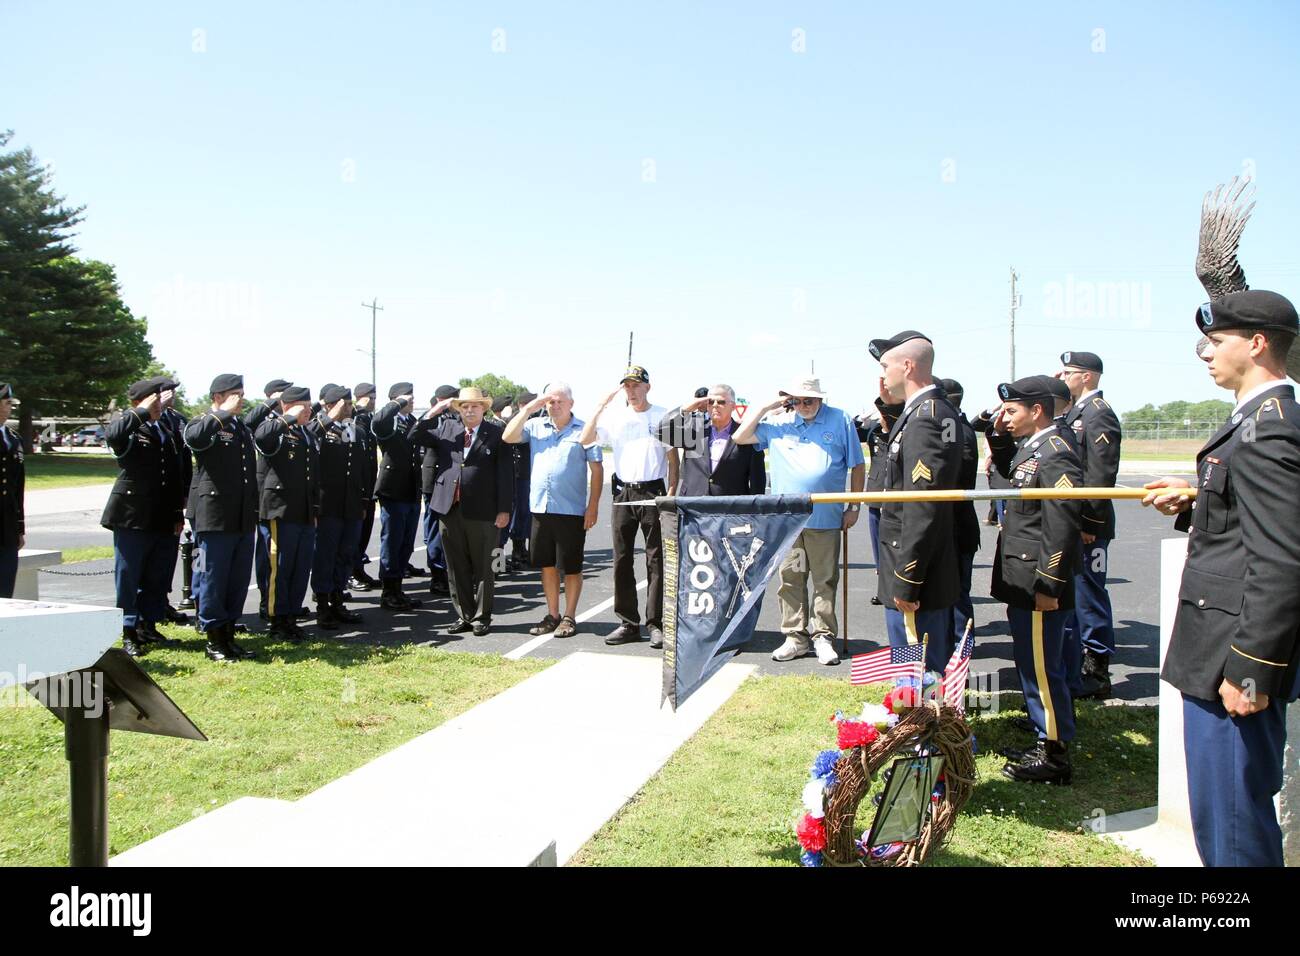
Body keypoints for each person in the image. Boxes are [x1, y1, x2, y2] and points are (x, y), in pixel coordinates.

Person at [1143, 289, 1300, 866]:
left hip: (1232, 663)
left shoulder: (1269, 430)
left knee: (1233, 824)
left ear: (1257, 344)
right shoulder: (1255, 422)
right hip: (1218, 652)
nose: (1205, 354)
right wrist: (1192, 503)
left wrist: (1252, 671)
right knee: (1221, 817)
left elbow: (1283, 562)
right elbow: (1246, 525)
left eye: (1216, 342)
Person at [987, 375, 1083, 784]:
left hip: (1039, 579)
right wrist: (996, 435)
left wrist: (1049, 583)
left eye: (1011, 411)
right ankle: (1043, 732)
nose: (1004, 419)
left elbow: (1062, 521)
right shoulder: (1033, 446)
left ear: (1037, 410)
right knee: (1031, 661)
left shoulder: (1055, 450)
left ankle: (1054, 754)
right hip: (1022, 574)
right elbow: (1010, 478)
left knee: (1043, 666)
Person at [732, 376, 864, 666]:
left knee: (824, 580)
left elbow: (857, 465)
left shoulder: (839, 419)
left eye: (810, 400)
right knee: (790, 579)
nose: (804, 405)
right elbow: (740, 436)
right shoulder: (780, 422)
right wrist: (768, 405)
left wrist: (854, 505)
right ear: (789, 399)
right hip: (788, 522)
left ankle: (823, 637)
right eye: (798, 400)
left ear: (821, 399)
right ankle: (795, 637)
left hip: (826, 518)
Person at [868, 331, 962, 673]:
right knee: (917, 665)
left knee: (917, 667)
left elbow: (922, 507)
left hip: (914, 571)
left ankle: (923, 726)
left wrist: (907, 579)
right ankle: (922, 722)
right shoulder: (928, 410)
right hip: (918, 564)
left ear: (907, 366)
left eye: (885, 365)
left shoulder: (925, 418)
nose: (882, 374)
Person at [579, 365, 678, 648]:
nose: (631, 391)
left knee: (656, 560)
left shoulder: (663, 415)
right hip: (623, 493)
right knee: (622, 559)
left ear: (647, 386)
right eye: (627, 386)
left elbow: (674, 460)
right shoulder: (615, 417)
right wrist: (600, 405)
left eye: (636, 385)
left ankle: (656, 623)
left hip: (653, 493)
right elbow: (585, 439)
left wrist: (670, 494)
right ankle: (628, 623)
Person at [502, 384, 604, 637]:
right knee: (546, 565)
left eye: (559, 401)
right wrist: (527, 409)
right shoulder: (535, 427)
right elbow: (508, 436)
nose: (554, 406)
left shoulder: (584, 429)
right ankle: (553, 614)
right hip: (540, 507)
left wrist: (592, 507)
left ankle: (569, 617)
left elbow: (597, 469)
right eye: (550, 402)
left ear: (571, 403)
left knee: (571, 567)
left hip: (570, 510)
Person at [417, 387, 512, 635]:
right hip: (450, 508)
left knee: (486, 566)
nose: (469, 410)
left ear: (484, 408)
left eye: (475, 406)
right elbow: (414, 435)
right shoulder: (447, 429)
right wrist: (436, 410)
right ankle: (464, 615)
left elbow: (505, 476)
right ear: (458, 409)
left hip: (484, 511)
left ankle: (482, 616)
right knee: (455, 566)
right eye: (464, 406)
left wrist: (504, 510)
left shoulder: (497, 434)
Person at [102, 379, 186, 657]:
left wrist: (177, 511)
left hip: (162, 513)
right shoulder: (128, 424)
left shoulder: (165, 428)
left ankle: (148, 625)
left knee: (157, 575)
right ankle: (127, 630)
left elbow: (174, 471)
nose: (162, 405)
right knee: (129, 575)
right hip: (132, 514)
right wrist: (139, 412)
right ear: (143, 401)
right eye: (157, 400)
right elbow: (113, 436)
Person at [1058, 351, 1122, 701]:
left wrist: (1090, 522)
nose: (1062, 376)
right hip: (1072, 521)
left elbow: (1101, 474)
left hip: (1088, 524)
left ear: (1087, 376)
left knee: (1089, 594)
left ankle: (1097, 668)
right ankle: (1078, 663)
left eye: (1068, 372)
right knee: (1076, 593)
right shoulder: (1075, 412)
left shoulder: (1098, 414)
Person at [183, 373, 260, 662]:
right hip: (214, 515)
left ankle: (229, 634)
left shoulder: (240, 427)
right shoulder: (205, 422)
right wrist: (221, 414)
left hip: (241, 514)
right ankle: (214, 638)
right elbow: (194, 440)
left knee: (237, 579)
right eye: (234, 394)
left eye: (241, 393)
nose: (240, 399)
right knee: (213, 577)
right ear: (217, 396)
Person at [251, 385, 318, 642]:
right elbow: (262, 437)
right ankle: (277, 620)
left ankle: (291, 616)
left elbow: (314, 475)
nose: (309, 411)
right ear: (288, 406)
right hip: (280, 510)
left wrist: (315, 509)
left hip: (302, 510)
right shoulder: (276, 429)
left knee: (300, 568)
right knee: (280, 568)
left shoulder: (306, 434)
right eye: (305, 406)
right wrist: (288, 417)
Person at [308, 384, 367, 630]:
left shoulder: (356, 430)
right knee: (325, 556)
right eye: (345, 404)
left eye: (351, 403)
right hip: (328, 504)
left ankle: (337, 600)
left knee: (345, 554)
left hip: (351, 503)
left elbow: (362, 468)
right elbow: (309, 438)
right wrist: (329, 417)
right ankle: (323, 605)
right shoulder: (320, 428)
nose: (350, 408)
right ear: (330, 405)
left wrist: (363, 501)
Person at [371, 382, 426, 611]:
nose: (411, 402)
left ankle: (398, 589)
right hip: (393, 491)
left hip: (411, 490)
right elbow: (378, 421)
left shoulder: (411, 422)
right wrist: (397, 402)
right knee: (392, 543)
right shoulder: (389, 423)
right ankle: (388, 591)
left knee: (405, 543)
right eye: (407, 399)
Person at [657, 384, 766, 497]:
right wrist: (683, 410)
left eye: (721, 402)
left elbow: (757, 482)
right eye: (710, 402)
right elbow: (660, 433)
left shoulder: (746, 435)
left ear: (733, 406)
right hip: (693, 508)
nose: (715, 405)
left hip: (731, 510)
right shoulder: (694, 430)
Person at [246, 379, 292, 619]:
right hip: (266, 494)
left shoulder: (288, 421)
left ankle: (281, 601)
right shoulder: (263, 420)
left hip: (285, 497)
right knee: (267, 553)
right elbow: (249, 423)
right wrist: (271, 402)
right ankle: (267, 600)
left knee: (282, 555)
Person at [939, 377, 980, 643]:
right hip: (954, 525)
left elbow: (951, 476)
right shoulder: (956, 426)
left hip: (956, 526)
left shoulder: (957, 430)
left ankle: (960, 650)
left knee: (956, 596)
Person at [154, 376, 193, 624]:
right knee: (152, 557)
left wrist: (187, 491)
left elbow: (186, 456)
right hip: (153, 498)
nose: (171, 395)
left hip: (175, 495)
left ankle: (162, 600)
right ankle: (148, 607)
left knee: (167, 555)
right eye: (166, 392)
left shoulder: (178, 420)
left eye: (173, 392)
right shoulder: (146, 418)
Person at [421, 384, 460, 596]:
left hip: (450, 482)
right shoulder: (434, 418)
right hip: (435, 481)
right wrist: (436, 410)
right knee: (435, 531)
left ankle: (447, 571)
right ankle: (437, 575)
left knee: (449, 530)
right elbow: (418, 432)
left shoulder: (455, 419)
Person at [349, 382, 380, 592]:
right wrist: (359, 408)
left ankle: (359, 569)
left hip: (369, 486)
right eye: (373, 398)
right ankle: (351, 573)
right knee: (355, 536)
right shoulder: (354, 417)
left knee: (365, 534)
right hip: (357, 487)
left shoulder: (369, 419)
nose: (375, 402)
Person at [0, 383, 21, 600]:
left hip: (7, 526)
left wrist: (19, 528)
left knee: (6, 588)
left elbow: (18, 488)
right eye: (7, 403)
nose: (10, 408)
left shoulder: (14, 439)